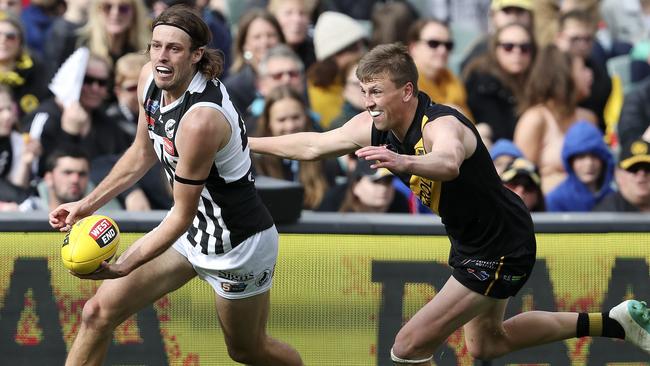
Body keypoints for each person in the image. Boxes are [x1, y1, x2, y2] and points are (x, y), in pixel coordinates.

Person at [249, 43, 650, 363]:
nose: (367, 101)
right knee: (488, 344)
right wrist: (242, 142)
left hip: (501, 246)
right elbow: (312, 144)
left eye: (376, 92)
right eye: (363, 91)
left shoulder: (442, 123)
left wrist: (404, 161)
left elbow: (448, 162)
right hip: (473, 242)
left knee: (407, 346)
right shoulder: (374, 126)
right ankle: (615, 323)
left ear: (407, 91)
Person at [48, 6, 303, 365]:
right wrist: (85, 205)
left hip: (236, 243)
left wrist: (124, 265)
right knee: (97, 314)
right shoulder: (149, 79)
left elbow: (180, 215)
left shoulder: (201, 120)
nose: (161, 58)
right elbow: (141, 153)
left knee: (247, 349)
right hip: (193, 230)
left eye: (174, 49)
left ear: (197, 55)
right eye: (155, 46)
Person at [513, 45, 597, 193]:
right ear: (565, 75)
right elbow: (520, 180)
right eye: (583, 69)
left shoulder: (588, 118)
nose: (590, 74)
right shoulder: (535, 119)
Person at [463, 22, 537, 143]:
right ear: (495, 48)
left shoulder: (536, 79)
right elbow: (500, 133)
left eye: (525, 48)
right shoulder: (482, 80)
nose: (517, 52)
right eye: (508, 47)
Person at [16, 147, 122, 211]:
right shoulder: (27, 211)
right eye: (67, 173)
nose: (75, 179)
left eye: (82, 174)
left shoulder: (103, 218)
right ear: (49, 178)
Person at [545, 121, 614, 212]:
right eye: (581, 157)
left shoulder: (615, 198)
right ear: (570, 162)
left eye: (594, 156)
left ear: (604, 160)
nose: (589, 163)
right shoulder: (556, 200)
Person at [317, 157, 410, 213]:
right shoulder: (333, 201)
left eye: (388, 181)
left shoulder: (400, 203)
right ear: (355, 186)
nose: (383, 188)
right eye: (375, 181)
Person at [593, 138, 650, 212]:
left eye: (648, 168)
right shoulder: (604, 215)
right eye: (633, 169)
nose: (641, 174)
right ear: (618, 175)